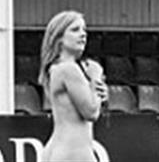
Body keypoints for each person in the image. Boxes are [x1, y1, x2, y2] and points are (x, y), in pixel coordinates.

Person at [40, 10, 108, 162]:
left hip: (61, 149)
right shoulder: (69, 69)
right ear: (59, 38)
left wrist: (97, 91)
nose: (83, 34)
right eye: (75, 30)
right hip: (73, 152)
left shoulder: (56, 68)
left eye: (84, 30)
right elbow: (91, 112)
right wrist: (95, 76)